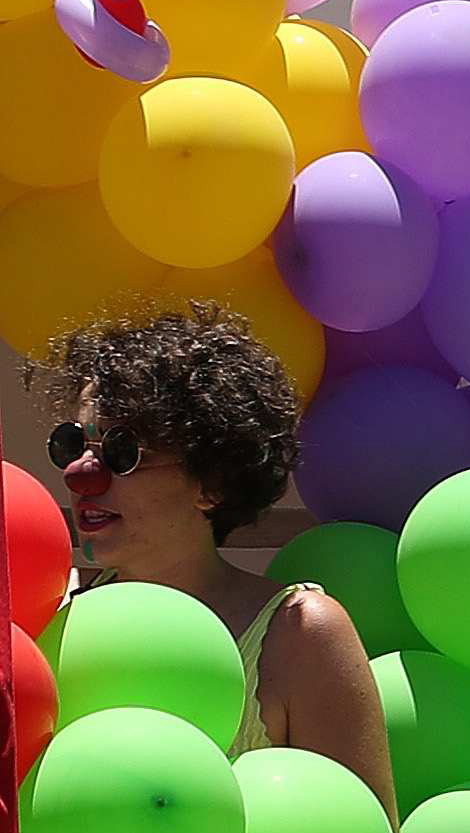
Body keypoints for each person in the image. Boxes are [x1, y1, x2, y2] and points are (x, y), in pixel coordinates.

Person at [47, 302, 392, 804]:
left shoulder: (299, 633)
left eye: (123, 453)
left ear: (212, 483)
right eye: (71, 443)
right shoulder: (55, 618)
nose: (81, 474)